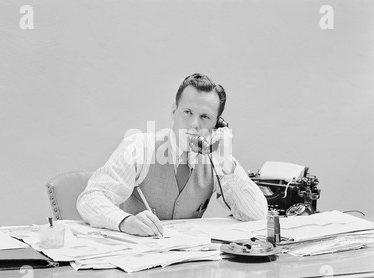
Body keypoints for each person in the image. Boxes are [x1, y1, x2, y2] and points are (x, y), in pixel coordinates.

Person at [77, 73, 268, 237]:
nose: (194, 123)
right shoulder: (139, 147)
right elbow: (90, 199)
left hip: (188, 265)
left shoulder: (216, 158)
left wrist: (226, 163)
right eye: (187, 112)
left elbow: (256, 215)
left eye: (205, 117)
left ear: (217, 124)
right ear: (174, 110)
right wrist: (126, 222)